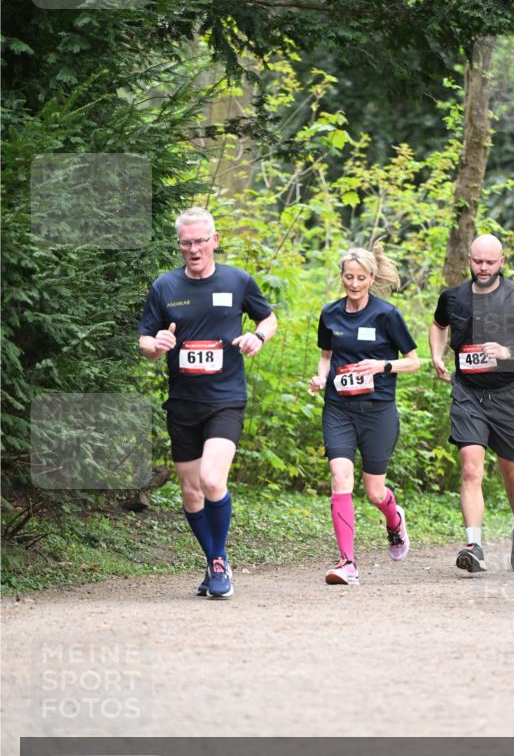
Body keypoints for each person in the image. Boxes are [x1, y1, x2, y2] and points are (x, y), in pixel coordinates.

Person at [138, 207, 277, 599]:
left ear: (215, 240)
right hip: (183, 403)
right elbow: (145, 339)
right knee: (191, 492)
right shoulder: (165, 286)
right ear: (179, 244)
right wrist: (156, 346)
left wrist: (258, 338)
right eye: (186, 242)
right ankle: (215, 560)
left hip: (225, 399)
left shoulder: (237, 280)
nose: (194, 249)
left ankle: (217, 563)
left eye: (201, 241)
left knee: (212, 480)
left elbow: (268, 319)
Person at [429, 234, 514, 573]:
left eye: (490, 262)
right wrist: (437, 355)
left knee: (511, 470)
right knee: (470, 467)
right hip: (467, 392)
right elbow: (438, 326)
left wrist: (509, 352)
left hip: (508, 394)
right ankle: (474, 544)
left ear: (502, 262)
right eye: (477, 261)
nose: (483, 268)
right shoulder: (453, 298)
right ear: (469, 259)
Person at [309, 244, 420, 585]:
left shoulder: (387, 314)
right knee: (340, 477)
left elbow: (414, 361)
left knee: (375, 492)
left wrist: (383, 365)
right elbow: (327, 356)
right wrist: (321, 376)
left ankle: (394, 519)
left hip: (377, 411)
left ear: (372, 278)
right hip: (339, 408)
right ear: (341, 277)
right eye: (348, 277)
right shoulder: (330, 314)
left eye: (360, 278)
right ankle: (347, 563)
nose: (354, 284)